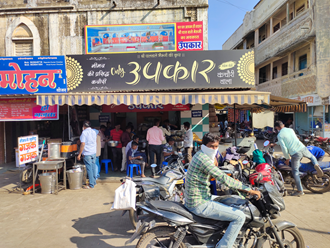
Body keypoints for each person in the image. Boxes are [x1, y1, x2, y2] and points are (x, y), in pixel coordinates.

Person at [185, 133, 261, 248]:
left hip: (200, 197)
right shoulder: (203, 159)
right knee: (239, 216)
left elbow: (217, 172)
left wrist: (234, 182)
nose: (214, 149)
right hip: (199, 202)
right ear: (204, 145)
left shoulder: (201, 154)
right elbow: (221, 177)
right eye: (211, 146)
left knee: (232, 200)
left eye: (216, 146)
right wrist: (248, 190)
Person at [271, 121, 323, 197]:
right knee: (312, 157)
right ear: (283, 125)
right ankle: (316, 164)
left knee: (295, 172)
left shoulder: (280, 135)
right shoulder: (290, 130)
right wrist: (275, 143)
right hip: (302, 147)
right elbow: (290, 139)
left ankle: (300, 190)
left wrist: (287, 158)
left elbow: (284, 148)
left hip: (295, 153)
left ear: (277, 128)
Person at [77, 120, 97, 189]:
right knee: (93, 167)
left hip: (87, 153)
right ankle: (94, 182)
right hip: (93, 152)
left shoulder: (84, 133)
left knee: (89, 169)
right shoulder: (94, 131)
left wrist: (79, 154)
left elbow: (83, 144)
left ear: (84, 126)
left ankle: (91, 184)